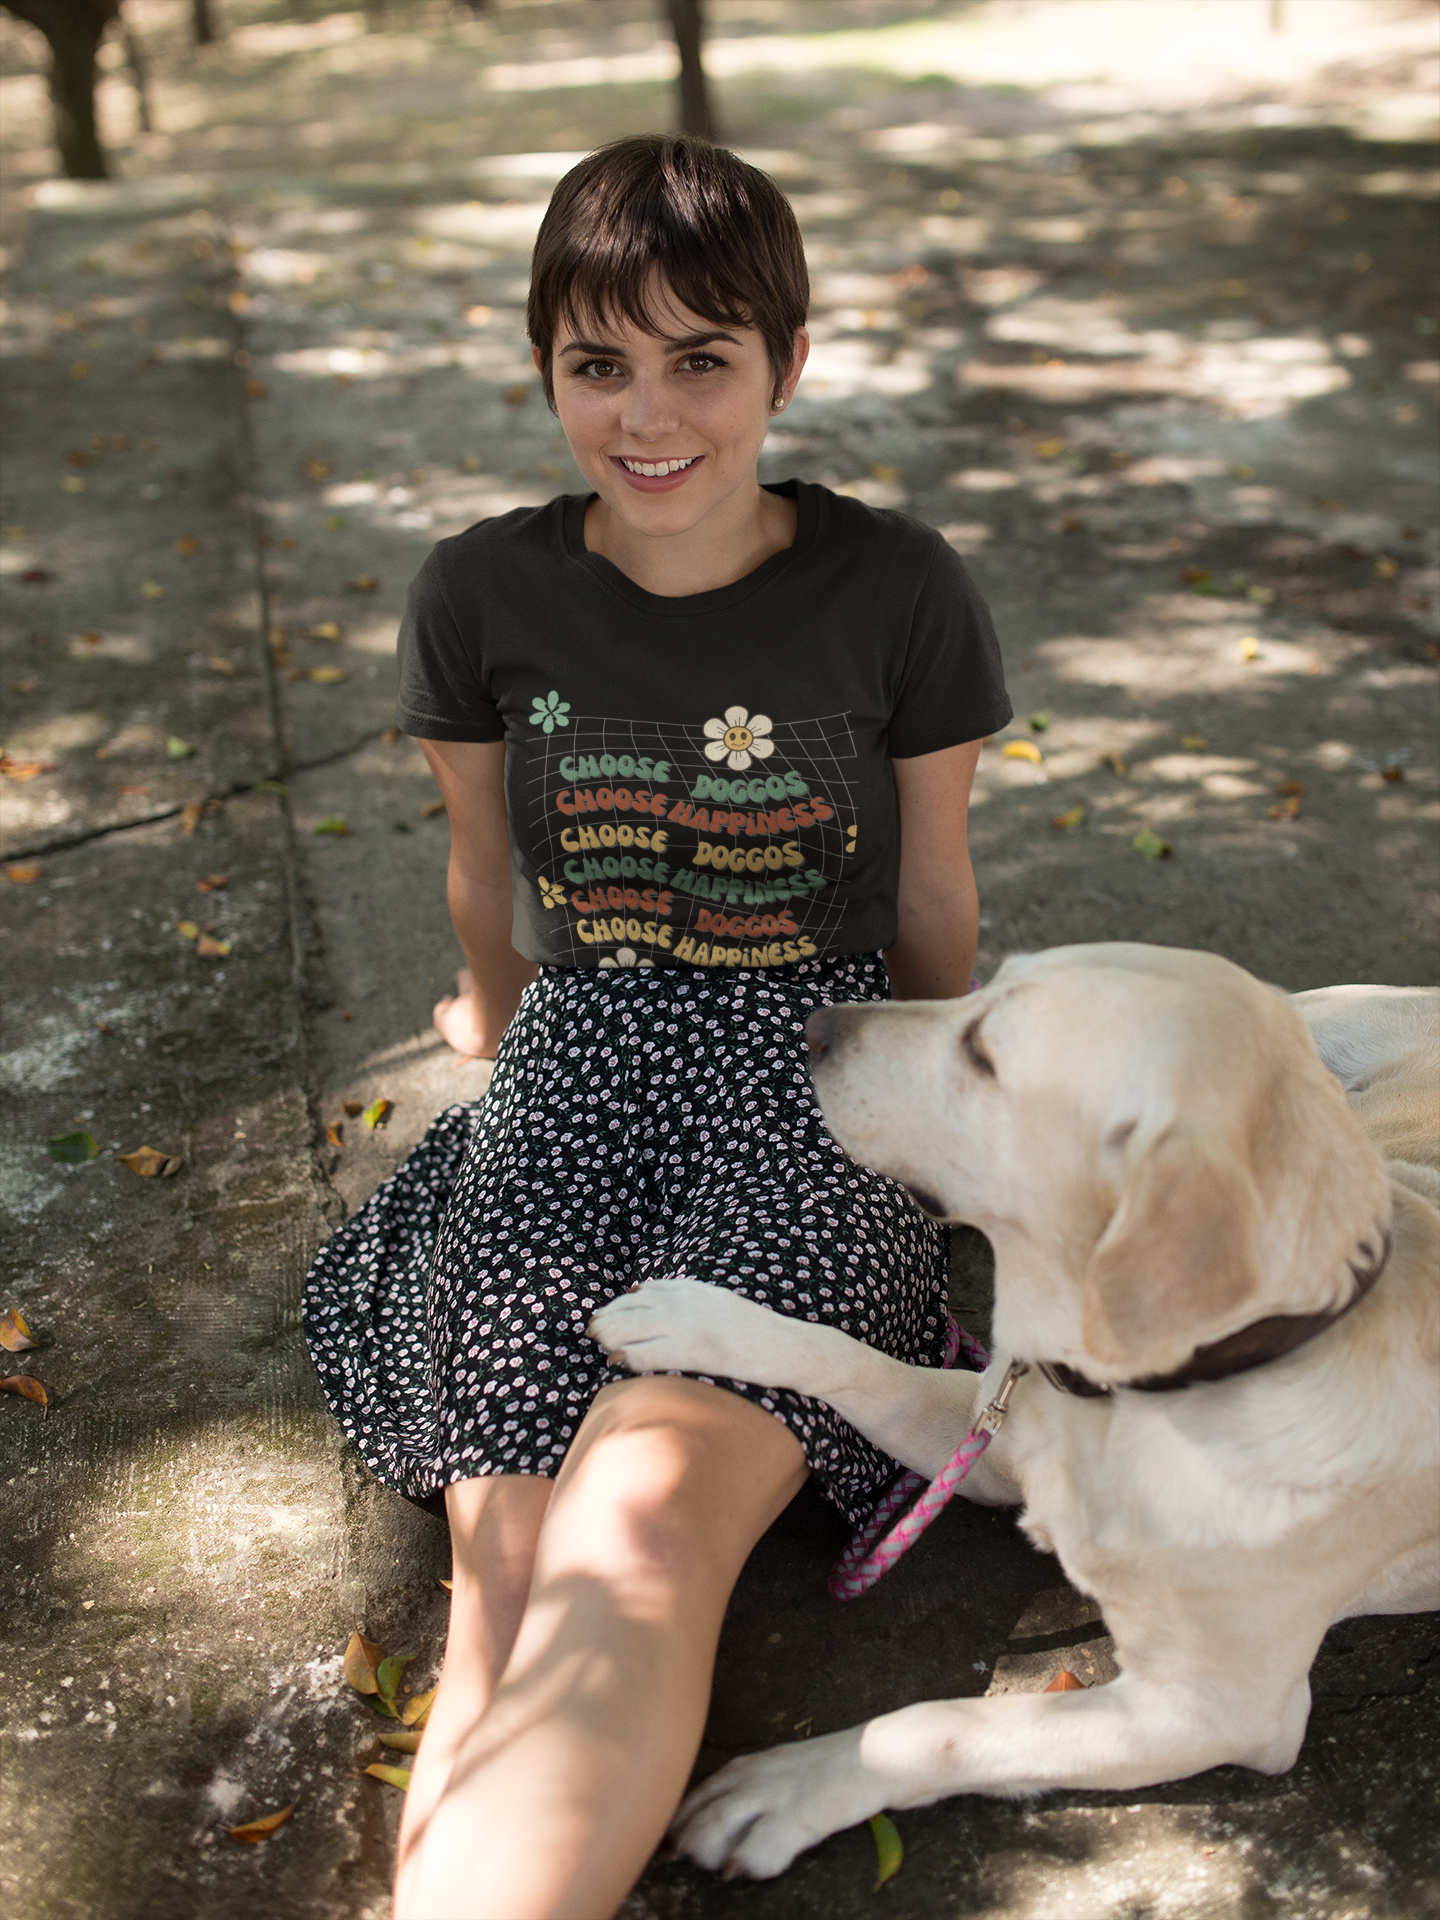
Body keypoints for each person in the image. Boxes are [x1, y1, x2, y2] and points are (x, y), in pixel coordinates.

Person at [302, 134, 1011, 1920]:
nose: (646, 412)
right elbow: (484, 876)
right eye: (596, 362)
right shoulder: (481, 591)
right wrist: (487, 1015)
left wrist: (989, 1150)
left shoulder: (899, 587)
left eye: (703, 356)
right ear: (545, 364)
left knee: (642, 1535)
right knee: (503, 1570)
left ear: (790, 361)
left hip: (819, 1076)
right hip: (579, 1071)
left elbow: (933, 903)